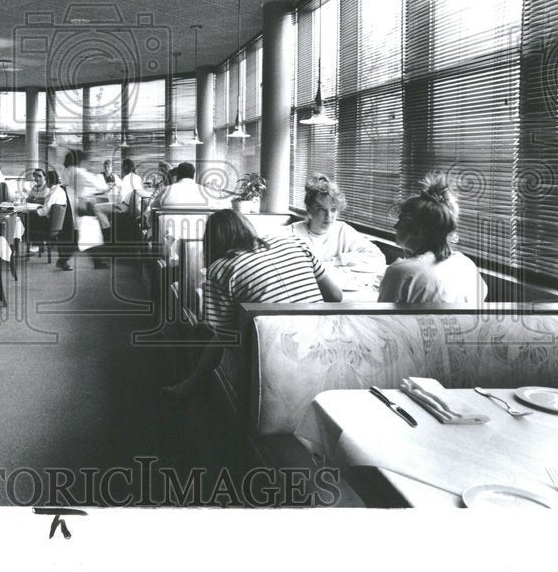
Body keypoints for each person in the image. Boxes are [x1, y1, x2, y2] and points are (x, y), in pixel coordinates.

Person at [162, 209, 341, 400]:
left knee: (204, 334)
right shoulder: (293, 241)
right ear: (249, 227)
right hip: (324, 345)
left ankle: (190, 388)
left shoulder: (221, 269)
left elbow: (225, 336)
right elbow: (336, 296)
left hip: (274, 359)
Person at [378, 173, 487, 305]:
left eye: (400, 222)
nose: (395, 226)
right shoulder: (466, 264)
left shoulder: (401, 272)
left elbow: (383, 321)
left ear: (418, 231)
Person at [288, 174, 385, 273]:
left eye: (333, 209)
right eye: (321, 209)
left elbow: (378, 257)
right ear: (309, 210)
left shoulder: (342, 230)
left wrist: (338, 260)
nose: (328, 215)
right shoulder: (291, 233)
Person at [149, 162, 232, 210]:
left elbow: (152, 209)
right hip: (199, 236)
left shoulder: (166, 190)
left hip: (169, 237)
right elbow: (226, 205)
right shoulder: (204, 192)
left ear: (178, 176)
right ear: (193, 175)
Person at [35, 168, 74, 270]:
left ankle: (33, 243)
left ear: (48, 181)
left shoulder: (52, 193)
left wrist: (36, 210)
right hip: (58, 225)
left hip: (48, 225)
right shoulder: (61, 190)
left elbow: (43, 212)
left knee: (27, 218)